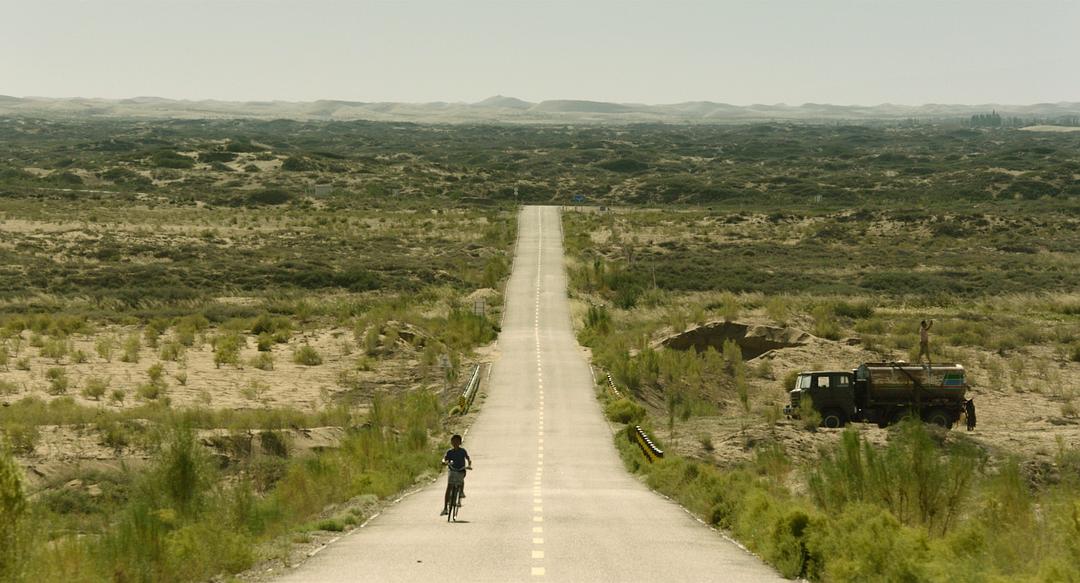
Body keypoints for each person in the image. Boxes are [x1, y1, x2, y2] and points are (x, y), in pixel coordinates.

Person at [440, 434, 471, 516]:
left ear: (460, 442)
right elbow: (445, 459)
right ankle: (445, 508)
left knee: (461, 480)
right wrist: (444, 462)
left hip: (461, 470)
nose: (455, 443)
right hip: (452, 470)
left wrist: (469, 464)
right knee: (449, 487)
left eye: (457, 441)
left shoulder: (463, 451)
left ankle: (461, 492)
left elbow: (468, 458)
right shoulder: (449, 452)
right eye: (453, 441)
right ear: (451, 442)